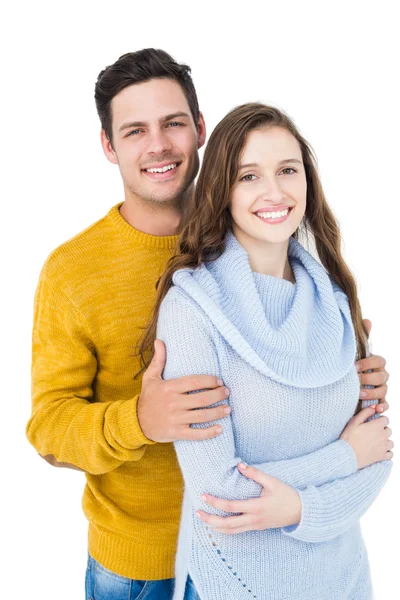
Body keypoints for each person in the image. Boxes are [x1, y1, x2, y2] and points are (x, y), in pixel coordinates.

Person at [26, 49, 390, 600]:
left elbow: (331, 417)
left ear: (200, 130)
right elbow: (48, 430)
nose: (158, 145)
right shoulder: (74, 271)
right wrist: (139, 420)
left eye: (173, 123)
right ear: (108, 145)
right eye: (134, 130)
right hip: (141, 563)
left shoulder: (270, 244)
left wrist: (337, 375)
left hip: (274, 552)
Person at [142, 102, 394, 599]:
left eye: (287, 170)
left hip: (344, 584)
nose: (274, 191)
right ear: (223, 191)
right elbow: (219, 491)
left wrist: (300, 506)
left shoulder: (334, 296)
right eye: (249, 176)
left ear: (307, 181)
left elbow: (380, 455)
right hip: (235, 586)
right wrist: (342, 458)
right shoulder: (192, 309)